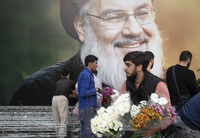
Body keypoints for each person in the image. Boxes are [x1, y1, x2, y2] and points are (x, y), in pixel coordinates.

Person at [10, 0, 165, 106]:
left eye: (143, 13)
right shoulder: (39, 92)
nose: (134, 30)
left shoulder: (174, 84)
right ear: (82, 27)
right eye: (115, 17)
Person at [120, 51, 171, 138]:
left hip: (158, 136)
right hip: (140, 135)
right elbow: (118, 107)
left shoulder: (158, 84)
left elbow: (169, 114)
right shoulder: (126, 84)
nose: (124, 68)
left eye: (128, 65)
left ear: (139, 67)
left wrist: (158, 127)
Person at [78, 55, 99, 138]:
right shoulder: (86, 75)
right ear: (90, 64)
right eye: (95, 63)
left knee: (83, 132)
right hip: (87, 107)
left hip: (85, 107)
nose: (97, 65)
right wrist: (95, 90)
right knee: (88, 132)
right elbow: (82, 93)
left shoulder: (85, 74)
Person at [51, 69, 76, 138]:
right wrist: (69, 95)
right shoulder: (71, 82)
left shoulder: (57, 82)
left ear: (61, 76)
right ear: (68, 75)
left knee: (56, 120)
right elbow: (74, 95)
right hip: (62, 99)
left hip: (54, 99)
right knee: (63, 120)